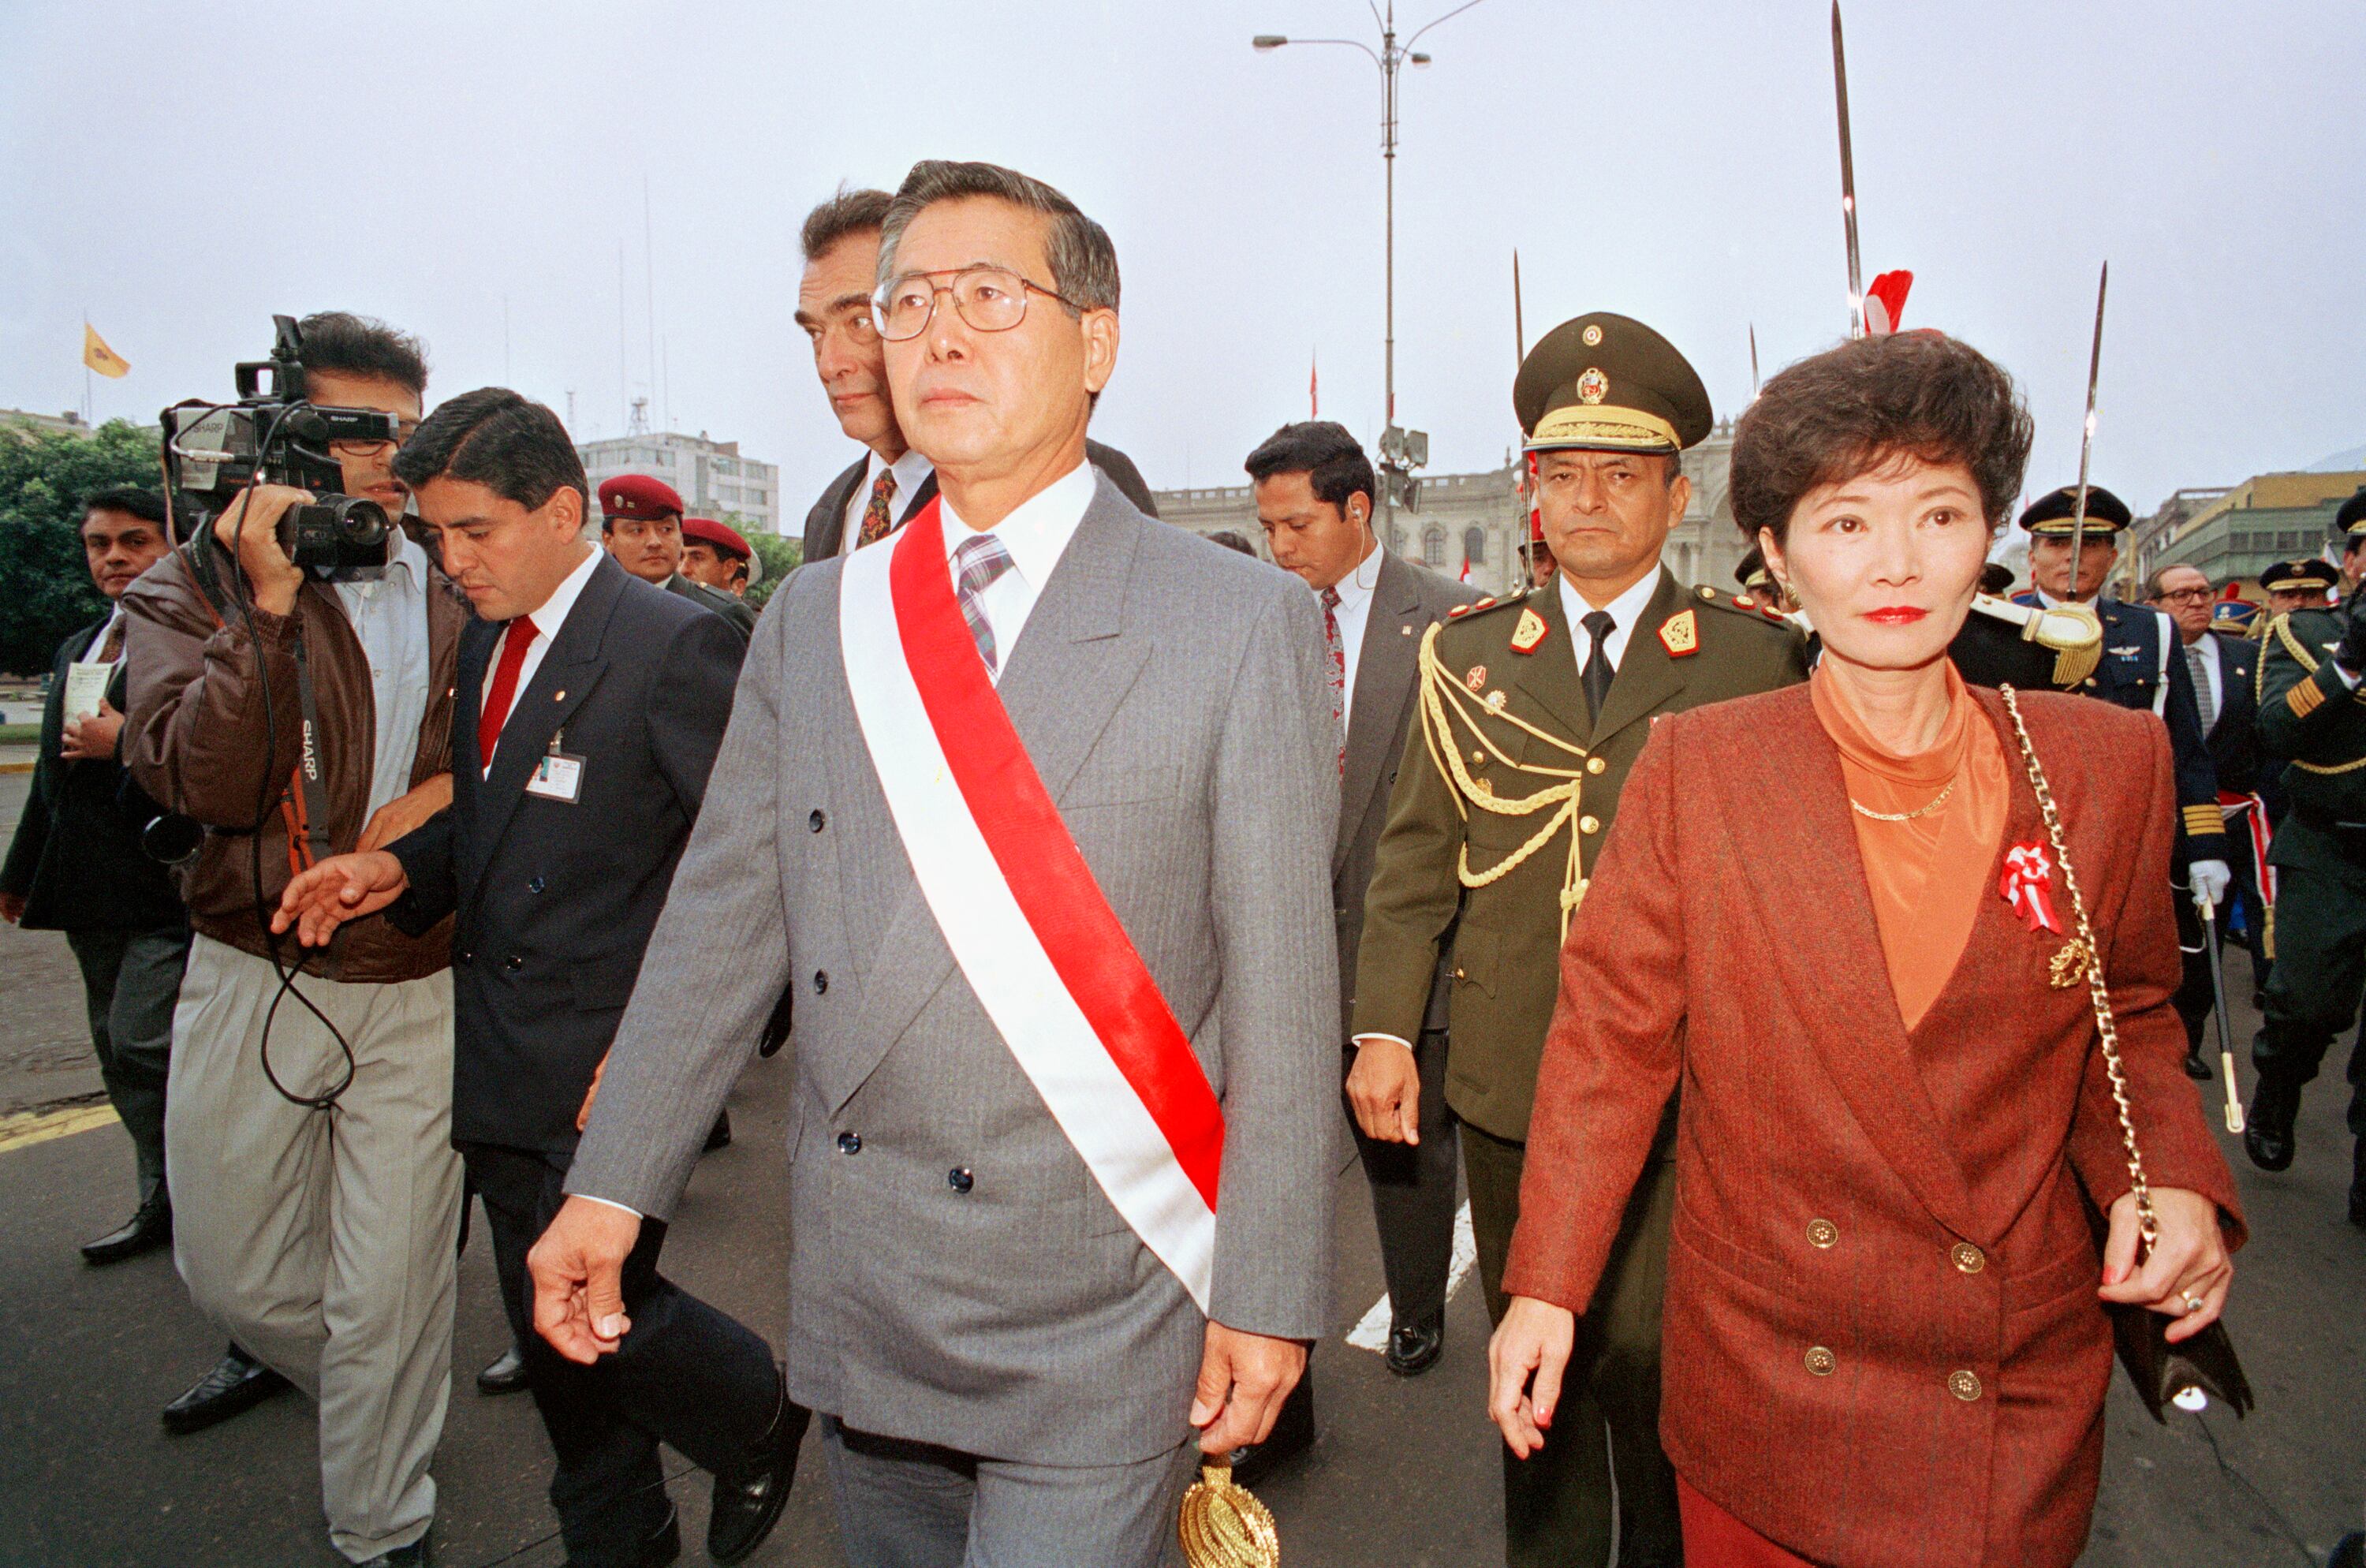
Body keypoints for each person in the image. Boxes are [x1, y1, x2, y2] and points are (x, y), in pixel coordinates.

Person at [535, 159, 1338, 1568]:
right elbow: (725, 918)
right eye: (907, 304)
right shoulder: (821, 619)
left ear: (1096, 340)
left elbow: (1281, 989)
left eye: (989, 295)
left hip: (1103, 1284)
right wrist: (615, 1181)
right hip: (873, 1271)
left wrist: (1266, 1288)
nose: (938, 334)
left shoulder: (1236, 622)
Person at [1491, 329, 2244, 1568]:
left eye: (1939, 514)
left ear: (1988, 536)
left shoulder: (2103, 767)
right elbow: (1608, 1050)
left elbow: (2133, 1015)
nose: (1896, 562)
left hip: (2007, 1382)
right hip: (1776, 1375)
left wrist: (2168, 1173)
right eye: (1846, 524)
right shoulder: (1701, 771)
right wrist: (1548, 1286)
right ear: (1777, 559)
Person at [272, 389, 800, 1568]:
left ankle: (757, 1410)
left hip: (612, 1064)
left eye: (475, 532)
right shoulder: (495, 644)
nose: (451, 562)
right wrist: (390, 870)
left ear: (563, 510)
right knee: (550, 1331)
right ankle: (621, 1533)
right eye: (434, 536)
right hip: (505, 1057)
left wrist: (680, 1043)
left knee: (608, 1311)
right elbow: (498, 825)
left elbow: (760, 864)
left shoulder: (677, 645)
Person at [1353, 312, 1808, 1568]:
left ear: (1678, 494)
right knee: (1532, 1372)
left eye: (1623, 474)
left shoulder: (1755, 662)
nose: (1590, 500)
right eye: (1565, 475)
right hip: (1514, 1070)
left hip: (1689, 1080)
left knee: (1663, 1370)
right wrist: (1386, 1026)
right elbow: (1412, 860)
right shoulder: (1472, 656)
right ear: (1531, 493)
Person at [120, 312, 463, 1567]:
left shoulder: (458, 565)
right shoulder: (187, 583)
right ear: (282, 443)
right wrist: (267, 608)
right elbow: (199, 780)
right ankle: (380, 1395)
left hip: (419, 972)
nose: (391, 463)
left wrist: (440, 806)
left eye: (407, 435)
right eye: (360, 434)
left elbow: (532, 734)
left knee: (394, 1286)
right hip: (248, 969)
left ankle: (383, 1520)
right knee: (239, 1279)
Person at [1251, 421, 1476, 1413]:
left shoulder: (1453, 620)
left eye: (1297, 523)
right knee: (1271, 1155)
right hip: (1282, 927)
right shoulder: (1255, 617)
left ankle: (1416, 1302)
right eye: (1267, 527)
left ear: (1358, 509)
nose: (1281, 546)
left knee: (1405, 1147)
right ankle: (1271, 1356)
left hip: (1400, 929)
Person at [1, 487, 188, 1264]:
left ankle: (216, 1187)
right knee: (116, 1055)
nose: (113, 557)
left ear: (171, 547)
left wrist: (126, 744)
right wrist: (21, 872)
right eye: (99, 543)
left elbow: (212, 763)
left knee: (143, 1038)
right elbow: (50, 776)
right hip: (86, 888)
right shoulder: (78, 646)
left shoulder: (198, 641)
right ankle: (162, 1197)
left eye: (134, 541)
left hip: (163, 889)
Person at [791, 184, 1161, 562]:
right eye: (815, 333)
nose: (829, 364)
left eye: (860, 322)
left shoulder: (1086, 479)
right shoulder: (830, 511)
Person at [2014, 487, 2234, 1034]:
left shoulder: (2150, 631)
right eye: (2058, 543)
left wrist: (2204, 847)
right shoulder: (1996, 626)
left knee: (2127, 983)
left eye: (2091, 544)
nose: (2074, 557)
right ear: (2033, 553)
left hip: (2125, 838)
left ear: (2113, 556)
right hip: (2027, 841)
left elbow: (2185, 748)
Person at [2247, 550, 2366, 1225]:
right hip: (2331, 846)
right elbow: (2277, 730)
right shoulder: (2308, 635)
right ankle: (2279, 1086)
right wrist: (2349, 661)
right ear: (2351, 559)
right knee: (2309, 1004)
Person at [2150, 562, 2264, 1076]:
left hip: (2231, 821)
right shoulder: (2150, 657)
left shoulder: (2248, 656)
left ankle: (2188, 1039)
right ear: (2156, 605)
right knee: (2165, 938)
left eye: (2202, 592)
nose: (2196, 602)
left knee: (2209, 939)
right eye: (2180, 595)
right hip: (2165, 821)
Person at [596, 474, 758, 640]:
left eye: (666, 529)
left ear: (680, 537)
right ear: (609, 540)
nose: (654, 542)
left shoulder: (720, 613)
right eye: (637, 530)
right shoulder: (593, 609)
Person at [679, 514, 759, 599]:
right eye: (679, 558)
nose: (682, 570)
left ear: (729, 568)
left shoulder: (734, 612)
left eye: (697, 558)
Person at [2260, 556, 2338, 617]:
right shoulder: (2265, 638)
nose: (2299, 603)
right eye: (2289, 596)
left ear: (2326, 602)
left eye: (2310, 596)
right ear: (2272, 604)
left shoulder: (2344, 637)